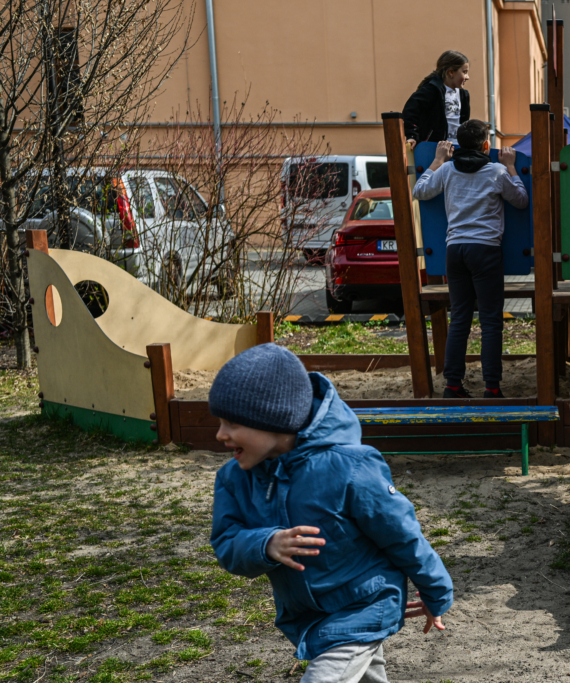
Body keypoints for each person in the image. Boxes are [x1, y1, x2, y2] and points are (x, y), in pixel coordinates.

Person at [209, 344, 453, 683]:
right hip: (308, 613)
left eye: (232, 423)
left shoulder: (349, 467)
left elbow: (402, 534)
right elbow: (226, 543)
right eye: (219, 422)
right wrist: (265, 544)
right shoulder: (234, 478)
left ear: (273, 419)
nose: (220, 434)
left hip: (364, 606)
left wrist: (435, 592)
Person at [412, 119, 528, 399]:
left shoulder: (449, 170)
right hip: (485, 250)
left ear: (457, 145)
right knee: (490, 321)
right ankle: (491, 387)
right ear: (486, 146)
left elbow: (419, 191)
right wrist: (512, 167)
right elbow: (521, 200)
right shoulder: (497, 171)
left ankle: (452, 385)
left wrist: (438, 161)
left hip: (456, 250)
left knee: (460, 318)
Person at [402, 50, 471, 148]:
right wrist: (412, 135)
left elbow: (463, 122)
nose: (467, 77)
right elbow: (410, 112)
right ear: (451, 72)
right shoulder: (431, 90)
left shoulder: (463, 95)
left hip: (457, 146)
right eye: (464, 72)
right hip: (434, 146)